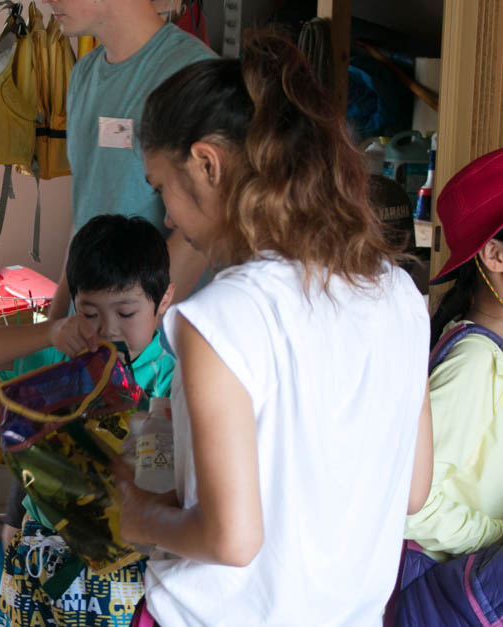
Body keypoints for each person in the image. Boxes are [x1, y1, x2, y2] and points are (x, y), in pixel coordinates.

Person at [118, 28, 434, 626]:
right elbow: (412, 490)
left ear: (207, 164)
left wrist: (138, 515)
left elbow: (231, 538)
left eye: (163, 188)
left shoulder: (222, 317)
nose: (167, 215)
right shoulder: (399, 296)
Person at [0, 214, 176, 627]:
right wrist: (50, 331)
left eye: (126, 313)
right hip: (35, 556)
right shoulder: (62, 357)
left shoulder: (170, 380)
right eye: (90, 312)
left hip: (118, 569)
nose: (107, 329)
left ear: (163, 301)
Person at [45, 0, 216, 318]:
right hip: (92, 334)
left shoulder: (192, 74)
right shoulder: (83, 74)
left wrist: (128, 328)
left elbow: (205, 225)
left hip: (150, 347)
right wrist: (56, 322)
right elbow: (86, 216)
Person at [394, 149, 503, 625]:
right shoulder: (474, 362)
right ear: (495, 255)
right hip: (442, 591)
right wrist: (492, 535)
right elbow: (409, 504)